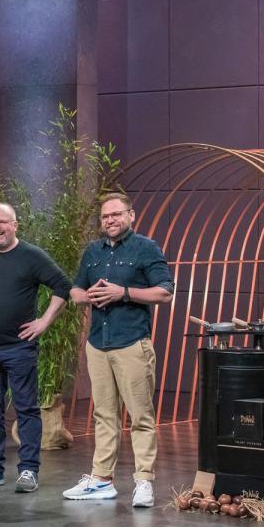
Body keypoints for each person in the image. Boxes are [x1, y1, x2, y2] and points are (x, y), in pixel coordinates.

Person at [63, 192, 173, 507]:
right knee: (104, 414)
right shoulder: (93, 251)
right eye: (105, 216)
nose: (110, 220)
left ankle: (144, 482)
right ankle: (101, 480)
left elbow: (165, 292)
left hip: (131, 342)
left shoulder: (146, 248)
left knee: (140, 415)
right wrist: (85, 296)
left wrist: (122, 292)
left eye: (116, 214)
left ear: (131, 215)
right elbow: (75, 290)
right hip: (98, 343)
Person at [0, 203, 72, 493]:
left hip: (19, 348)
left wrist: (44, 322)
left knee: (26, 409)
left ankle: (29, 470)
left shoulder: (31, 256)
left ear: (15, 225)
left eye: (3, 222)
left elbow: (62, 286)